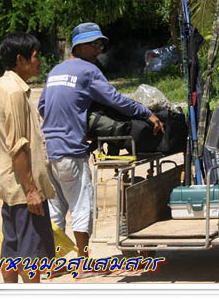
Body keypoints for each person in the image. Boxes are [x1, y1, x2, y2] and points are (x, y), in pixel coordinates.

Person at [38, 22, 163, 261]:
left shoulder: (56, 71)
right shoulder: (88, 71)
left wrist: (65, 121)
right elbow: (115, 99)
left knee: (56, 209)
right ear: (81, 46)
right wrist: (146, 112)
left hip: (49, 149)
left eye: (101, 44)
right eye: (95, 44)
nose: (99, 49)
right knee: (82, 205)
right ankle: (83, 261)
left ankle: (54, 262)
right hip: (71, 151)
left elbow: (43, 106)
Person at [0, 33, 56, 283]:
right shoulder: (14, 92)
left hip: (10, 185)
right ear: (20, 59)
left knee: (12, 250)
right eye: (35, 56)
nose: (39, 61)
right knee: (31, 255)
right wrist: (31, 190)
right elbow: (18, 146)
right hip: (24, 188)